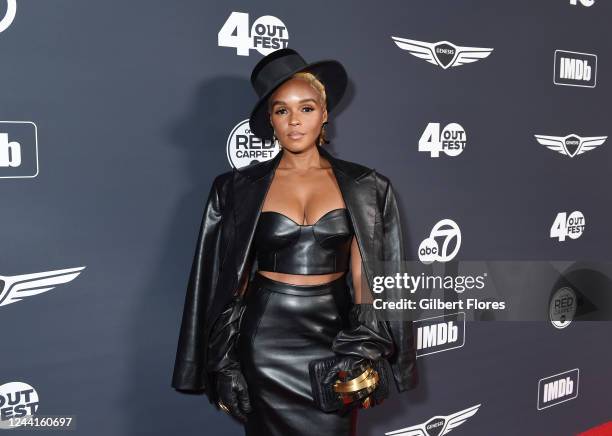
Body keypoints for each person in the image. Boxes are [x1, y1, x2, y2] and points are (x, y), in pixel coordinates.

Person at [172, 48, 418, 436]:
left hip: (335, 339)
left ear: (324, 114)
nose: (294, 121)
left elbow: (366, 279)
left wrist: (364, 347)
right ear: (270, 120)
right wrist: (224, 361)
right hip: (265, 340)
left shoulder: (367, 186)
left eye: (305, 108)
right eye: (281, 110)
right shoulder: (236, 188)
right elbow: (225, 280)